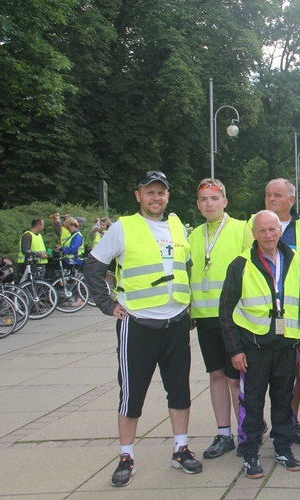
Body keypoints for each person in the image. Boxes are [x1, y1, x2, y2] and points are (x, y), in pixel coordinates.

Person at [83, 170, 201, 488]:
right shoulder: (124, 228)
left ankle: (181, 449)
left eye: (160, 192)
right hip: (138, 325)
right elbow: (93, 266)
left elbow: (185, 266)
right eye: (149, 192)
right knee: (132, 394)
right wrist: (108, 305)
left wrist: (189, 304)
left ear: (167, 196)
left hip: (175, 322)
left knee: (179, 390)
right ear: (138, 196)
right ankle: (126, 456)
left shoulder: (177, 226)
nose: (155, 197)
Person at [220, 210, 300, 479]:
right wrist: (235, 350)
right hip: (253, 346)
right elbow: (226, 310)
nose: (268, 235)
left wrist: (299, 342)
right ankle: (250, 452)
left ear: (280, 230)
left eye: (272, 229)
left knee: (284, 399)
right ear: (254, 234)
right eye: (262, 231)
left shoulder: (294, 260)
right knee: (252, 402)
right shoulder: (240, 264)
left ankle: (283, 448)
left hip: (286, 345)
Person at [189, 178, 253, 459]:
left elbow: (253, 270)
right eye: (203, 200)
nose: (209, 204)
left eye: (214, 199)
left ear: (225, 201)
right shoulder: (193, 236)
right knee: (215, 375)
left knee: (235, 377)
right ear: (198, 205)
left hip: (233, 318)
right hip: (204, 317)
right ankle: (223, 433)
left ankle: (246, 431)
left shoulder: (241, 229)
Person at [251, 178, 300, 444]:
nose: (271, 198)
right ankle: (256, 427)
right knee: (259, 377)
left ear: (291, 199)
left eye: (277, 194)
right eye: (268, 194)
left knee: (293, 370)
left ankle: (291, 420)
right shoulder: (254, 224)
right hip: (263, 313)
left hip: (296, 308)